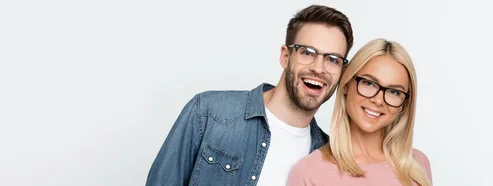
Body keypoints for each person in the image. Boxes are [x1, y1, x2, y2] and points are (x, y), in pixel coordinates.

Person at [145, 4, 354, 186]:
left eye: (333, 59)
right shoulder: (208, 113)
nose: (319, 68)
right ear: (285, 56)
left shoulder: (328, 157)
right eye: (308, 52)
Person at [287, 39, 433, 186]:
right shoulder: (309, 173)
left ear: (404, 104)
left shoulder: (418, 165)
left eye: (394, 92)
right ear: (347, 84)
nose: (378, 100)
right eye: (369, 83)